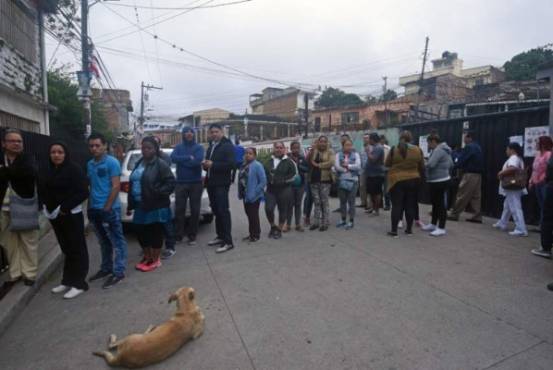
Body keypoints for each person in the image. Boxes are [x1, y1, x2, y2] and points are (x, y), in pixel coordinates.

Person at [39, 142, 89, 299]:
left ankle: (79, 283)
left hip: (70, 214)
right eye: (53, 152)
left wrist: (64, 208)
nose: (56, 155)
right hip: (54, 215)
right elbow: (42, 189)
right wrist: (46, 205)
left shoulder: (74, 169)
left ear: (65, 154)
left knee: (77, 248)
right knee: (66, 248)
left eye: (60, 152)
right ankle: (67, 280)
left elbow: (83, 192)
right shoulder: (47, 169)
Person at [0, 129, 39, 299]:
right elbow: (16, 174)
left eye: (19, 141)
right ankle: (15, 273)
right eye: (12, 141)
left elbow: (28, 174)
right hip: (3, 207)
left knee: (28, 240)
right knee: (9, 242)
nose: (16, 144)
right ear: (4, 144)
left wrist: (5, 171)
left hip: (23, 204)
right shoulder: (2, 159)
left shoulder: (28, 158)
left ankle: (29, 273)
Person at [86, 133, 128, 289]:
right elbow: (91, 187)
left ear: (104, 146)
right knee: (103, 242)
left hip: (110, 210)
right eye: (91, 146)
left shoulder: (112, 162)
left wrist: (107, 208)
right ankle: (106, 268)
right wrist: (90, 207)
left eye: (97, 145)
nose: (94, 148)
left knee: (117, 241)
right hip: (95, 209)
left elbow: (116, 186)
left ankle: (119, 272)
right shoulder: (90, 164)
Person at [129, 137, 176, 272]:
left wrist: (157, 192)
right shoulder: (139, 162)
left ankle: (155, 260)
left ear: (155, 149)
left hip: (156, 204)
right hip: (140, 203)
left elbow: (171, 183)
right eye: (143, 148)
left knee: (154, 231)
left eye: (149, 148)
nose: (145, 150)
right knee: (140, 230)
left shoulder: (160, 164)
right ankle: (147, 256)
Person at [203, 124, 235, 253]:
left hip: (221, 184)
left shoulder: (227, 146)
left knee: (223, 211)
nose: (214, 134)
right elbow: (209, 165)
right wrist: (205, 166)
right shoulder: (211, 147)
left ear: (222, 132)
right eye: (212, 132)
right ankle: (220, 236)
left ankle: (228, 242)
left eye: (216, 132)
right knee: (216, 210)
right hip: (211, 183)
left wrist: (213, 164)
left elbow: (231, 165)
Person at [385, 131, 424, 237]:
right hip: (413, 179)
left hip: (397, 180)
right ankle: (409, 230)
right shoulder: (417, 150)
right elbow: (422, 166)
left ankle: (394, 231)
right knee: (410, 205)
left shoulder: (394, 149)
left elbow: (387, 163)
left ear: (400, 138)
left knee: (397, 205)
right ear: (411, 138)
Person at [171, 127, 205, 248]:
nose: (189, 134)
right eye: (186, 132)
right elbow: (173, 158)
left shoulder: (199, 147)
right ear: (183, 134)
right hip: (180, 183)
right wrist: (187, 158)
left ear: (194, 134)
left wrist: (183, 162)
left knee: (195, 210)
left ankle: (192, 235)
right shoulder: (178, 147)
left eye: (191, 132)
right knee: (179, 210)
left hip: (196, 183)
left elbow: (197, 162)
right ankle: (178, 235)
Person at [493, 142, 528, 237]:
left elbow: (512, 168)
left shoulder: (513, 158)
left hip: (512, 186)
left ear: (512, 150)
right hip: (515, 185)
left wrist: (501, 173)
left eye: (507, 149)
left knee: (515, 207)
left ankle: (521, 229)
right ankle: (502, 223)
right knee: (507, 206)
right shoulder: (519, 158)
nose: (506, 151)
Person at [263, 142, 297, 239]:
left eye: (280, 148)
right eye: (276, 147)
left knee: (283, 210)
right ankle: (273, 226)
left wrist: (283, 181)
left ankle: (279, 229)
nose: (278, 149)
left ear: (284, 149)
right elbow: (264, 174)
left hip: (284, 189)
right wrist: (268, 179)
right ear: (273, 149)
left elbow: (294, 175)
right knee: (268, 209)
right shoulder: (268, 161)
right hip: (270, 190)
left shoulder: (289, 162)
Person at [448, 132, 484, 223]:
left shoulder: (469, 147)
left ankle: (454, 214)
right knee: (476, 196)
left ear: (469, 138)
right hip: (478, 175)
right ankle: (477, 216)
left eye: (465, 138)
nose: (464, 140)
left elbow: (462, 160)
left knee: (462, 194)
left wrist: (454, 166)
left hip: (470, 174)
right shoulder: (478, 147)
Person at [422, 133, 454, 237]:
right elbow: (451, 164)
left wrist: (424, 163)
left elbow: (431, 164)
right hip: (440, 180)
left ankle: (441, 228)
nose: (428, 146)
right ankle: (433, 224)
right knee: (436, 204)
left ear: (433, 141)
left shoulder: (438, 150)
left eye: (429, 143)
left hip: (439, 181)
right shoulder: (445, 150)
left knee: (440, 205)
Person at [153, 136, 176, 260]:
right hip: (149, 197)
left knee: (166, 222)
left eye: (155, 144)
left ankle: (170, 247)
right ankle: (153, 247)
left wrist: (160, 191)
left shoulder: (164, 159)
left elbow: (166, 179)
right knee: (153, 224)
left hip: (161, 196)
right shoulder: (144, 159)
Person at [238, 148, 266, 242]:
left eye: (250, 153)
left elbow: (263, 181)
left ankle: (256, 235)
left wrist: (254, 192)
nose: (248, 155)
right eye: (246, 153)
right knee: (249, 215)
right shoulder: (243, 165)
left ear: (254, 155)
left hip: (254, 196)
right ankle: (251, 233)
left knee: (253, 215)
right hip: (245, 196)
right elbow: (241, 180)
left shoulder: (257, 165)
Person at [309, 136, 335, 231]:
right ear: (318, 142)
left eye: (324, 141)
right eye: (321, 141)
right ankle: (316, 222)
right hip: (314, 180)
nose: (322, 143)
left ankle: (325, 223)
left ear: (327, 142)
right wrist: (312, 150)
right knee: (317, 202)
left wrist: (318, 165)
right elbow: (309, 161)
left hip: (325, 180)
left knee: (324, 202)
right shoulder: (315, 150)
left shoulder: (330, 151)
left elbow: (331, 162)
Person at [334, 138, 361, 229]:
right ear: (343, 146)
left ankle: (351, 221)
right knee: (342, 201)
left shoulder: (356, 154)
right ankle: (343, 219)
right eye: (347, 145)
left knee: (351, 202)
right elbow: (337, 166)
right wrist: (346, 169)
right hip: (342, 180)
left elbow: (358, 166)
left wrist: (348, 166)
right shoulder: (338, 154)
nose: (349, 147)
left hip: (353, 181)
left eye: (350, 145)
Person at [528, 136, 553, 229]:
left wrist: (543, 179)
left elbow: (548, 169)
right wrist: (531, 181)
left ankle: (545, 226)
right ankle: (542, 225)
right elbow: (534, 169)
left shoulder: (548, 154)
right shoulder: (537, 154)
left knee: (546, 205)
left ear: (543, 144)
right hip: (536, 183)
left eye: (538, 142)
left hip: (544, 183)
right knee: (541, 204)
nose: (536, 144)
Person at [533, 153, 553, 260]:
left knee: (547, 216)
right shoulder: (539, 155)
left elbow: (548, 168)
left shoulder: (548, 154)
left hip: (547, 183)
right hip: (543, 182)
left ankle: (546, 248)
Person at [286, 141, 309, 232]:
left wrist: (299, 166)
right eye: (294, 148)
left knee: (298, 204)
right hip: (289, 185)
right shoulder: (287, 158)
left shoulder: (303, 158)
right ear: (291, 148)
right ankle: (288, 224)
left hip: (301, 185)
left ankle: (298, 224)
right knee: (289, 205)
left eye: (297, 147)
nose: (295, 149)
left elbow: (307, 169)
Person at [365, 133, 386, 216]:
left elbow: (373, 159)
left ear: (373, 139)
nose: (368, 140)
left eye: (369, 138)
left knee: (376, 193)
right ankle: (373, 208)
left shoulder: (378, 148)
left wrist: (367, 152)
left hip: (377, 175)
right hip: (371, 174)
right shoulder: (375, 147)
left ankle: (376, 210)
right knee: (371, 192)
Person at [357, 133, 370, 210]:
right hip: (362, 170)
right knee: (362, 186)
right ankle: (363, 202)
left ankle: (369, 204)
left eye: (367, 138)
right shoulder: (362, 147)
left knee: (369, 187)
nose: (365, 139)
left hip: (369, 170)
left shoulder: (371, 147)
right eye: (364, 138)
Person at [303, 144, 314, 226]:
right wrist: (310, 152)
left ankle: (321, 216)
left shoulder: (323, 153)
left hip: (321, 179)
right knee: (309, 198)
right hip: (310, 178)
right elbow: (305, 163)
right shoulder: (310, 153)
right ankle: (306, 216)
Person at [380, 135, 392, 211]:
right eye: (380, 139)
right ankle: (380, 204)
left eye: (383, 139)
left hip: (387, 170)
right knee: (378, 189)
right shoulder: (376, 148)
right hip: (379, 170)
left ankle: (387, 204)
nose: (382, 141)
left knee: (386, 189)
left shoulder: (388, 148)